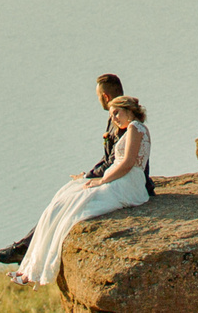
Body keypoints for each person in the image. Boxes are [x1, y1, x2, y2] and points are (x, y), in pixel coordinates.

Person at [9, 95, 151, 287]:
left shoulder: (135, 127)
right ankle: (29, 267)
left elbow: (127, 163)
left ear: (129, 109)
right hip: (121, 178)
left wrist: (102, 180)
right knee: (66, 196)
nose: (114, 118)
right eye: (111, 114)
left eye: (116, 112)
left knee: (76, 206)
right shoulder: (132, 129)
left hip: (127, 182)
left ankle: (33, 271)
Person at [0, 74, 125, 265]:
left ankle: (23, 250)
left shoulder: (123, 122)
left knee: (67, 204)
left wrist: (90, 177)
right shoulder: (117, 117)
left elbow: (113, 162)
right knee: (62, 198)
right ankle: (23, 247)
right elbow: (107, 158)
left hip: (117, 181)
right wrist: (86, 175)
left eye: (99, 96)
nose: (98, 100)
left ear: (106, 97)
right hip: (111, 177)